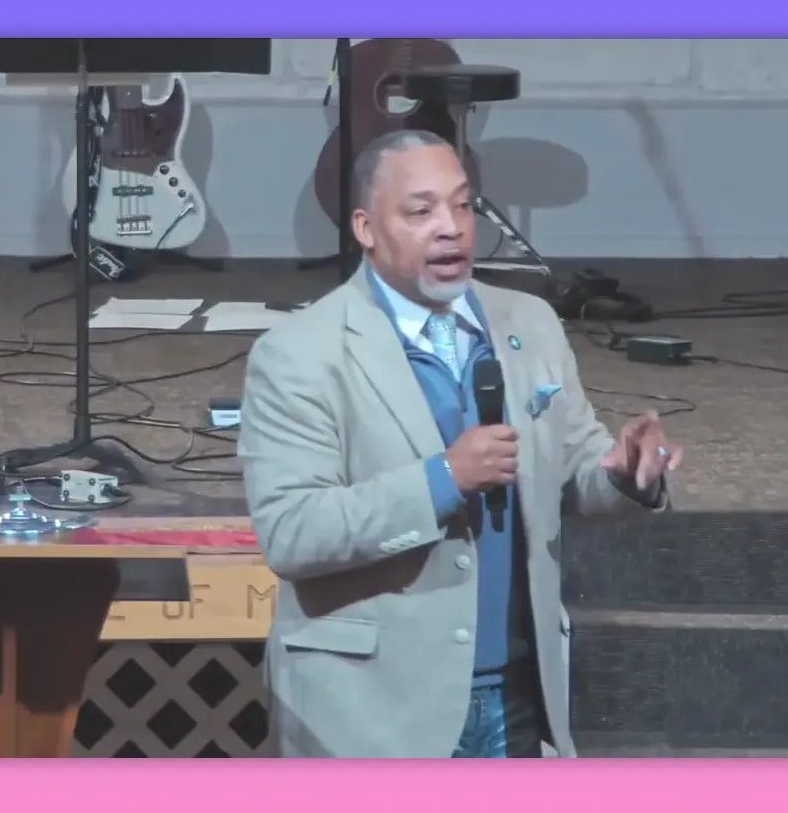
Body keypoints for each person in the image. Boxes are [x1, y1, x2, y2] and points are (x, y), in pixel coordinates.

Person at [236, 129, 683, 758]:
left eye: (463, 205)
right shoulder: (300, 354)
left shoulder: (528, 323)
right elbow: (293, 532)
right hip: (372, 710)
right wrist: (444, 477)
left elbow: (577, 464)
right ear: (365, 227)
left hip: (521, 693)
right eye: (420, 212)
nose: (450, 228)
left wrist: (621, 473)